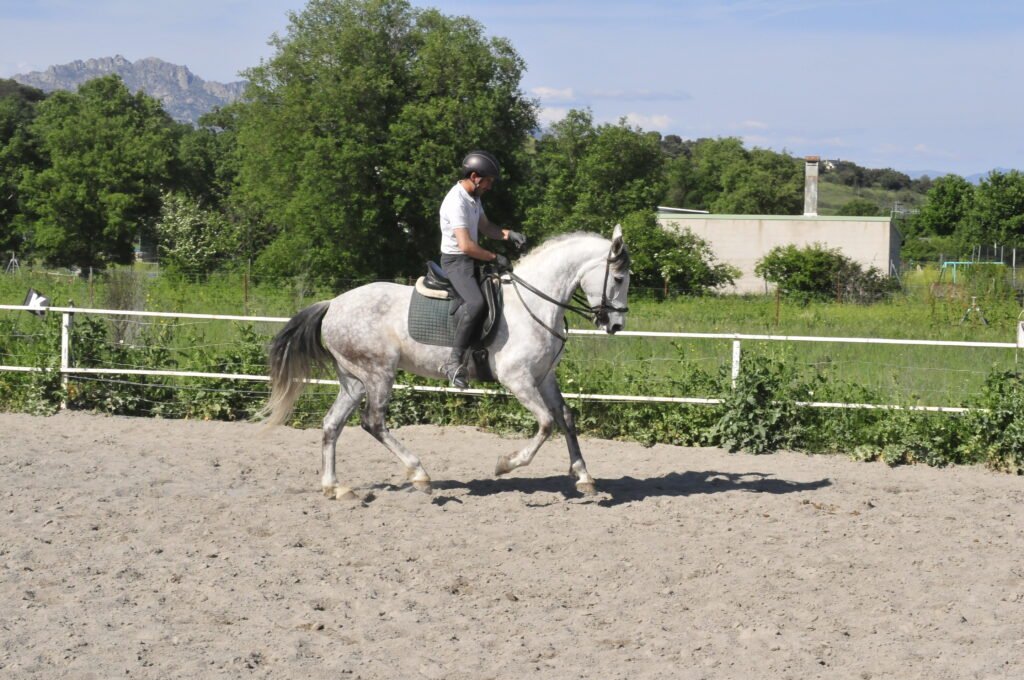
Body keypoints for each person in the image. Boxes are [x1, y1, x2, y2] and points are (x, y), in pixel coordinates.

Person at [438, 150, 527, 388]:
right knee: (476, 303)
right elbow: (466, 246)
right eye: (488, 181)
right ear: (475, 177)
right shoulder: (456, 201)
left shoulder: (473, 198)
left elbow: (486, 227)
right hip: (456, 262)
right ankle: (453, 363)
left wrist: (508, 234)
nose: (490, 186)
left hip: (470, 260)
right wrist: (495, 257)